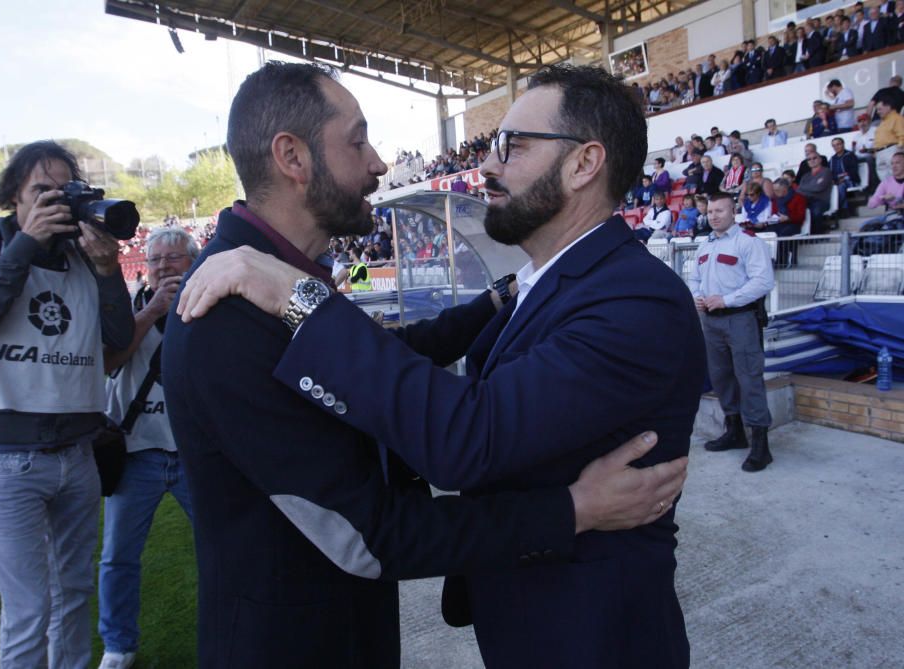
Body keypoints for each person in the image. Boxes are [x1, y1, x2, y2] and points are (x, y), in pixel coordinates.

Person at [162, 62, 690, 669]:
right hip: (296, 642)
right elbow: (371, 526)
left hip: (591, 636)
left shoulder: (633, 299)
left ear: (582, 164)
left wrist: (304, 300)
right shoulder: (230, 307)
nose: (381, 162)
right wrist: (574, 508)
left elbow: (455, 420)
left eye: (511, 146)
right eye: (358, 140)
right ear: (292, 157)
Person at [0, 141, 135, 668]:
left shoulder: (81, 259)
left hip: (76, 454)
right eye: (39, 190)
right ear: (14, 198)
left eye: (63, 191)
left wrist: (108, 269)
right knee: (28, 608)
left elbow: (117, 339)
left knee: (73, 593)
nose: (53, 202)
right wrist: (24, 245)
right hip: (0, 460)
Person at [97, 227, 198, 669]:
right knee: (117, 557)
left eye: (173, 258)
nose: (162, 267)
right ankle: (119, 645)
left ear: (194, 262)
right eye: (155, 260)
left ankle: (232, 625)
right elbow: (108, 360)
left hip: (195, 454)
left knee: (225, 545)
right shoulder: (127, 310)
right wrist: (156, 308)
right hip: (137, 453)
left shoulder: (209, 307)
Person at [689, 193, 775, 472]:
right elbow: (695, 279)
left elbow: (763, 281)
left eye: (720, 210)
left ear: (733, 211)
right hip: (711, 322)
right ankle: (734, 431)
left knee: (749, 378)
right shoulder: (705, 246)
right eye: (710, 211)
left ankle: (761, 445)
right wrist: (698, 296)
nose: (713, 215)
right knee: (721, 378)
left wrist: (727, 300)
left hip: (740, 319)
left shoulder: (748, 243)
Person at [799, 153, 835, 228]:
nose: (812, 161)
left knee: (815, 213)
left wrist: (806, 187)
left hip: (820, 201)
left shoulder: (826, 172)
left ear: (820, 159)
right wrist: (813, 185)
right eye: (809, 159)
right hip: (806, 200)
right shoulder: (805, 176)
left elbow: (819, 188)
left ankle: (818, 235)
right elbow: (799, 189)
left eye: (814, 158)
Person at [829, 137, 861, 211]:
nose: (836, 147)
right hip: (837, 181)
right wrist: (835, 180)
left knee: (840, 187)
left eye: (838, 144)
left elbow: (853, 171)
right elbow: (830, 174)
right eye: (834, 145)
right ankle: (841, 208)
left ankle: (839, 209)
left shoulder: (850, 156)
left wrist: (842, 178)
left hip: (850, 180)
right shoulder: (832, 159)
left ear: (843, 144)